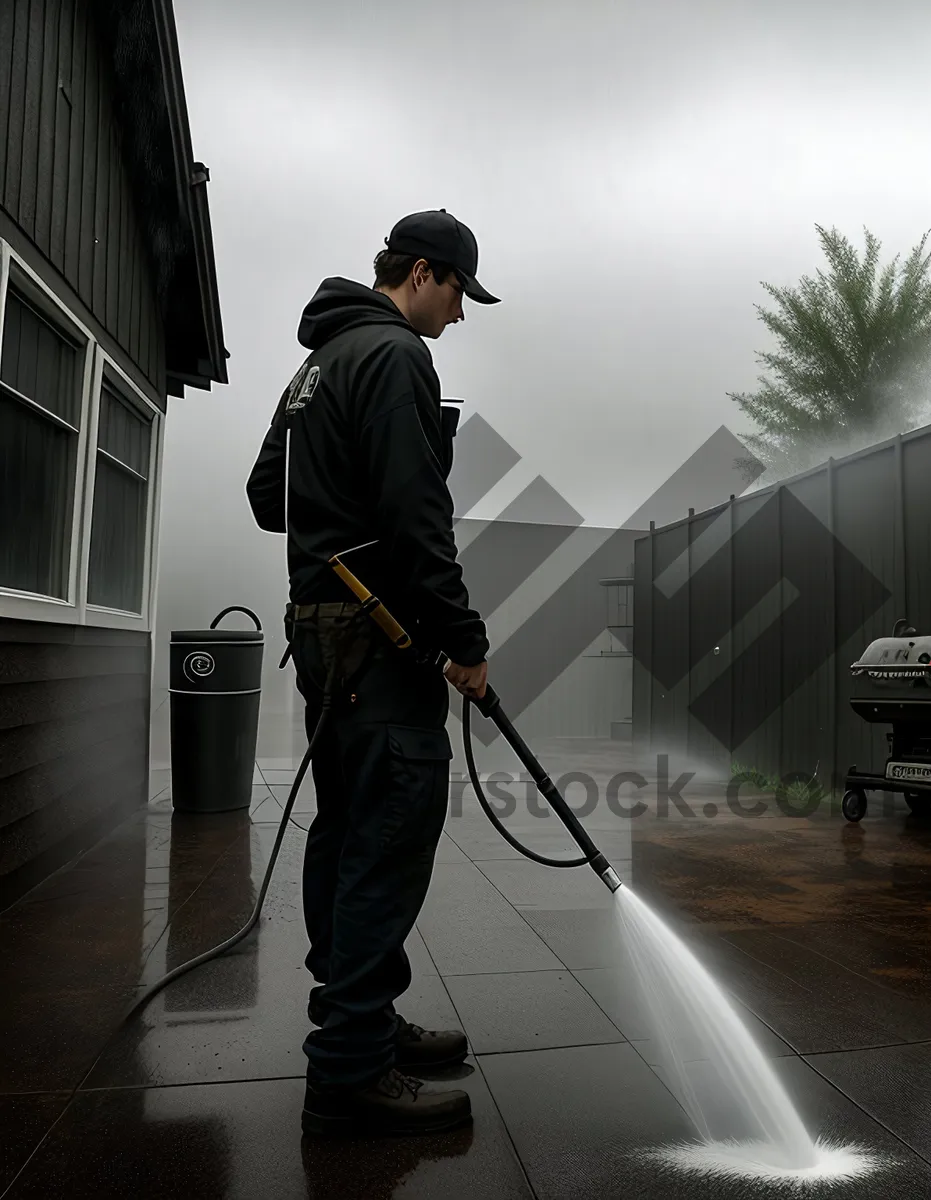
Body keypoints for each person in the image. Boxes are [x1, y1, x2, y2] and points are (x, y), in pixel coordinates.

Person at [245, 209, 499, 1137]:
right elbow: (417, 516)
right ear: (425, 274)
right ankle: (350, 1063)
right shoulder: (394, 357)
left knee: (349, 824)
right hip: (372, 632)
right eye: (461, 295)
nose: (461, 316)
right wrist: (463, 640)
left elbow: (266, 496)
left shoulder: (317, 364)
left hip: (319, 626)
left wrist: (331, 505)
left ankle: (367, 1020)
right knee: (392, 822)